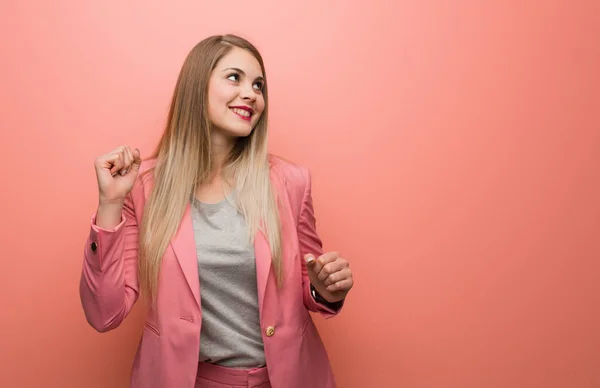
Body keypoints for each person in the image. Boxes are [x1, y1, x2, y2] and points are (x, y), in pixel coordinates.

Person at [79, 34, 354, 388]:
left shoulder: (290, 182)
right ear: (197, 86)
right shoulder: (145, 187)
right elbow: (105, 313)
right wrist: (110, 204)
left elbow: (308, 283)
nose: (251, 94)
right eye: (234, 77)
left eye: (259, 85)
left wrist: (325, 290)